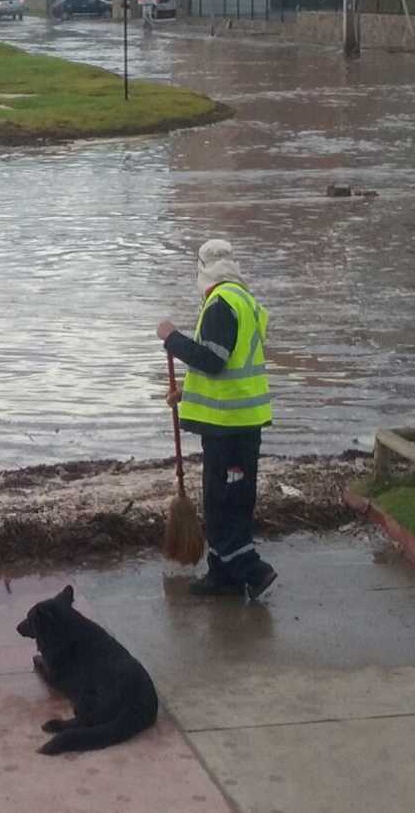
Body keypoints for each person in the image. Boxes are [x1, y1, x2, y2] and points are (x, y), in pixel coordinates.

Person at [156, 240, 277, 600]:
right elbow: (230, 368)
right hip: (241, 421)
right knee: (230, 498)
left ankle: (253, 571)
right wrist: (186, 395)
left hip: (230, 426)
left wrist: (171, 339)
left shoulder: (222, 303)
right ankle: (222, 574)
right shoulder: (246, 302)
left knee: (224, 502)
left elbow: (213, 360)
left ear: (202, 269)